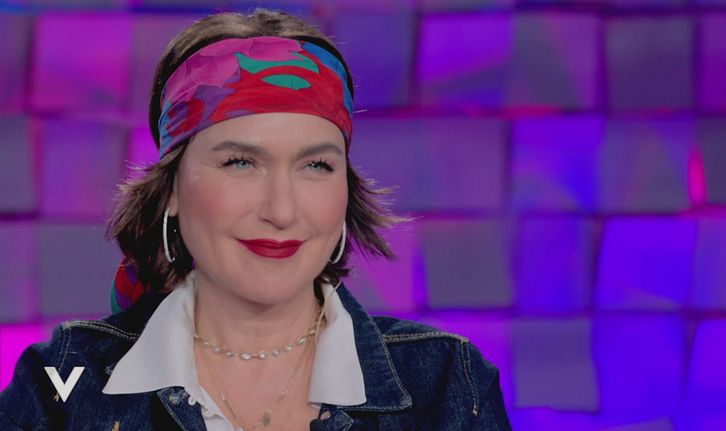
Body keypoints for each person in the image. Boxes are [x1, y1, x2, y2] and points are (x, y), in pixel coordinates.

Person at [0, 9, 512, 430]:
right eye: (240, 162)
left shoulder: (447, 383)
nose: (281, 210)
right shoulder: (60, 384)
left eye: (316, 165)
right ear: (172, 189)